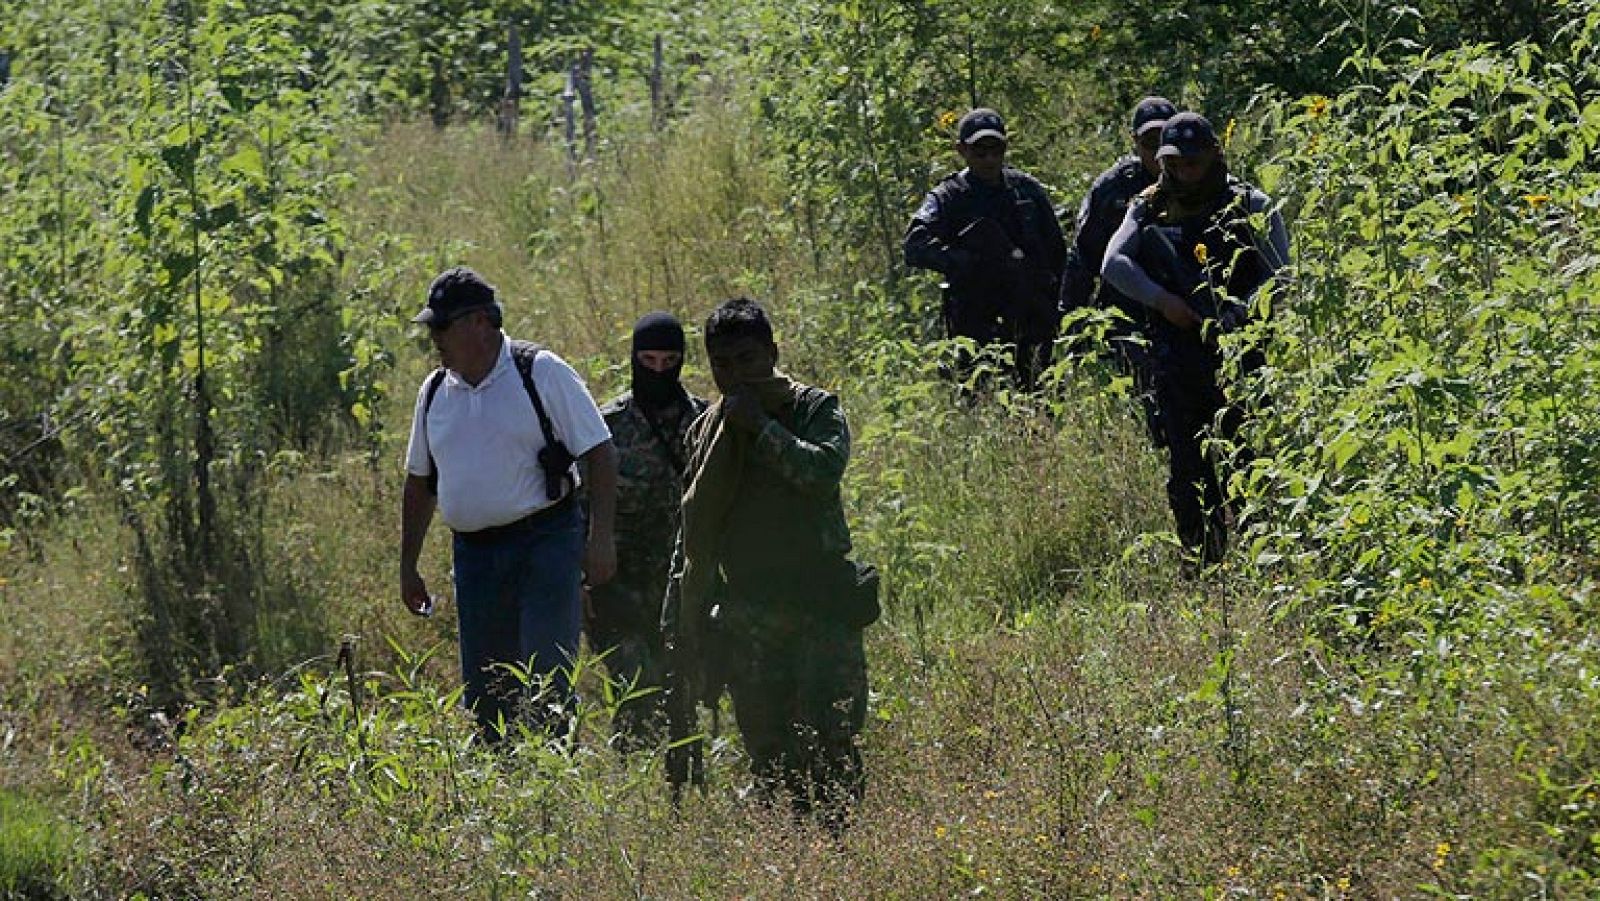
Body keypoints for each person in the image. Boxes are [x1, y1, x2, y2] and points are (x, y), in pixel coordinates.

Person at [662, 298, 873, 831]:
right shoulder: (706, 433)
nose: (736, 374)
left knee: (832, 742)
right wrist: (681, 622)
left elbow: (821, 471)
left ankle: (843, 858)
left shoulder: (814, 409)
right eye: (723, 365)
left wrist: (762, 429)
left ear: (773, 353)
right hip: (749, 613)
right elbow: (694, 531)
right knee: (770, 755)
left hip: (819, 605)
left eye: (748, 358)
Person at [399, 266, 618, 740]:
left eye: (443, 326)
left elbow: (600, 453)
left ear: (479, 323)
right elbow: (420, 482)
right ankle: (503, 792)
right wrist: (408, 565)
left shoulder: (539, 371)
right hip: (474, 558)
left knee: (547, 686)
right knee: (486, 694)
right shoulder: (435, 391)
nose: (433, 337)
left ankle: (554, 796)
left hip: (545, 546)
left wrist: (600, 538)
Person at [1100, 112, 1290, 569]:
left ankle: (1264, 561)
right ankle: (1205, 563)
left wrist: (1239, 312)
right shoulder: (1148, 206)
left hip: (1239, 353)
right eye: (1175, 162)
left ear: (1213, 157)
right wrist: (1164, 301)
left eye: (1194, 161)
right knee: (1189, 467)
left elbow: (1279, 274)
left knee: (1248, 459)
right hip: (1178, 355)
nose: (1185, 171)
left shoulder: (1250, 203)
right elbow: (1113, 264)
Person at [589, 312, 708, 750]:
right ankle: (635, 797)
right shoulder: (608, 426)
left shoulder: (703, 422)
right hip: (620, 586)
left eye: (670, 360)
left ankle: (684, 800)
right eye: (649, 359)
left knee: (684, 696)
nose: (659, 370)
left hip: (681, 585)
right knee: (637, 691)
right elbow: (583, 509)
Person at [904, 107, 1068, 391]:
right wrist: (964, 262)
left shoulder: (1026, 190)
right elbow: (915, 244)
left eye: (997, 150)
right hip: (976, 318)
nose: (990, 159)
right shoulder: (949, 196)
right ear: (962, 150)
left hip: (1030, 317)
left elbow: (1058, 253)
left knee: (1041, 398)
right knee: (981, 399)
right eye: (980, 152)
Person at [1060, 96, 1177, 444]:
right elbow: (1084, 257)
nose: (1157, 153)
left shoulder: (1200, 175)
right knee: (1148, 393)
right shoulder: (1114, 187)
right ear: (1135, 143)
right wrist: (1072, 326)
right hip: (1127, 309)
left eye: (1163, 141)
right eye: (1148, 143)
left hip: (1184, 303)